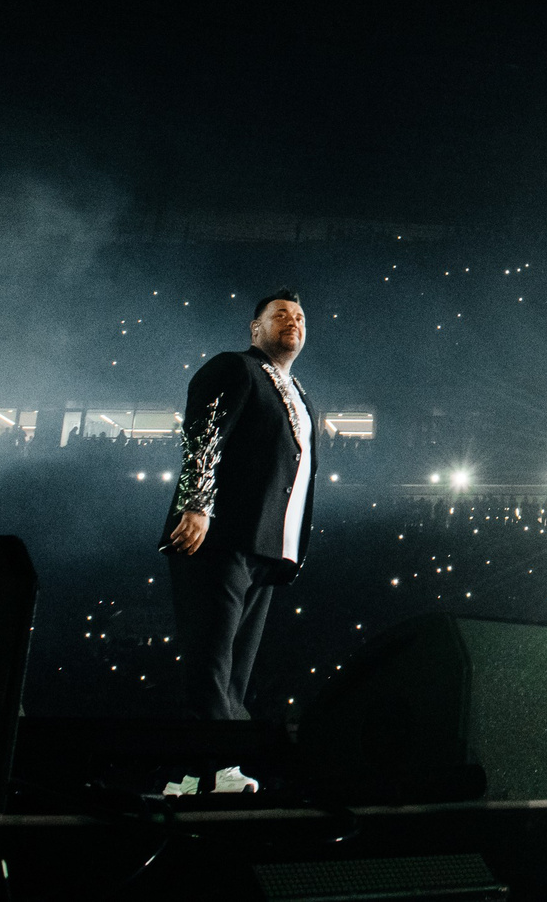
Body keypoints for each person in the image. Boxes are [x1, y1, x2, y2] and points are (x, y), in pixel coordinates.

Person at [158, 290, 319, 791]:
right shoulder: (235, 368)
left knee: (235, 667)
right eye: (279, 316)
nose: (291, 322)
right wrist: (196, 505)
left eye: (298, 317)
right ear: (255, 330)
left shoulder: (301, 393)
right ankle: (217, 765)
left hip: (267, 548)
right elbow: (204, 434)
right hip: (220, 536)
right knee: (210, 658)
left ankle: (194, 772)